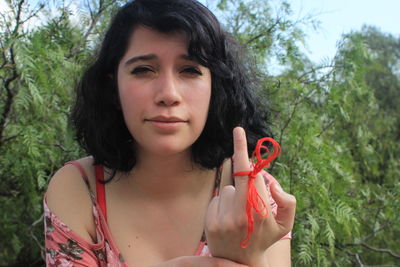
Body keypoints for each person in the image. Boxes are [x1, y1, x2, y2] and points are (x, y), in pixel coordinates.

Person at [44, 0, 296, 266]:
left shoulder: (259, 194)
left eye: (190, 70)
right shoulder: (77, 189)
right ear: (113, 88)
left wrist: (250, 255)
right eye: (143, 70)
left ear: (216, 88)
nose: (168, 95)